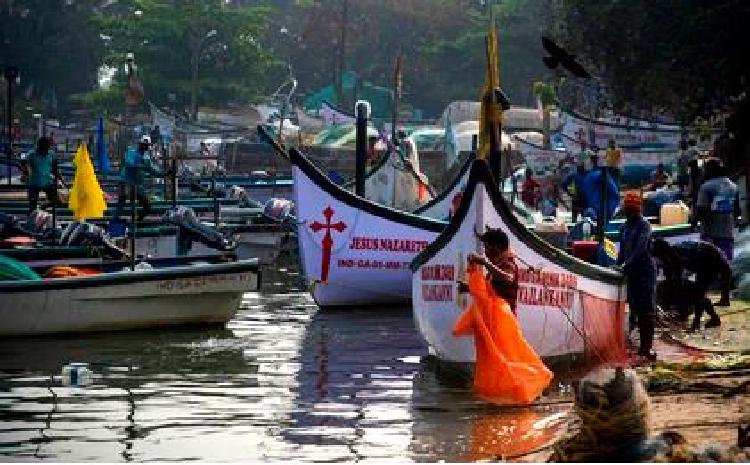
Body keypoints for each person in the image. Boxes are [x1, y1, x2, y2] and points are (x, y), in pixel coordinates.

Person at [651, 238, 729, 331]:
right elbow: (674, 280)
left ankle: (698, 323)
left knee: (698, 295)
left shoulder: (679, 253)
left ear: (664, 253)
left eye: (661, 257)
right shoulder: (670, 256)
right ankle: (707, 318)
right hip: (705, 260)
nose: (661, 260)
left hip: (711, 260)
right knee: (693, 292)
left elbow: (679, 278)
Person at [616, 190, 656, 360]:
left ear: (638, 210)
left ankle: (646, 348)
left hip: (645, 273)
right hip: (631, 274)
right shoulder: (624, 227)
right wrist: (617, 266)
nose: (629, 212)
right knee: (634, 309)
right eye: (627, 209)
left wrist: (626, 265)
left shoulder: (644, 225)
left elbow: (640, 249)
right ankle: (635, 344)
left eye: (632, 209)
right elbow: (622, 251)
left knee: (646, 311)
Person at [466, 228, 519, 314]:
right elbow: (489, 291)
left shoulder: (509, 264)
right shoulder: (494, 268)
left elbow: (508, 278)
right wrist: (468, 288)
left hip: (504, 321)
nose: (486, 252)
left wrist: (484, 262)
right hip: (492, 318)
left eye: (487, 247)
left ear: (498, 247)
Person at [696, 158, 738, 260]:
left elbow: (702, 210)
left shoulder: (706, 187)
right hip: (728, 233)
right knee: (726, 265)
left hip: (710, 235)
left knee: (709, 267)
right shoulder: (733, 186)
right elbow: (737, 210)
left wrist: (694, 221)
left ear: (709, 170)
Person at [115, 135, 165, 221]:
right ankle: (116, 221)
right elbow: (129, 164)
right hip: (126, 182)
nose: (145, 147)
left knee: (147, 206)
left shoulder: (146, 157)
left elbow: (152, 169)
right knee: (122, 203)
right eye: (144, 145)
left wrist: (163, 174)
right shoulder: (131, 153)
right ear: (140, 144)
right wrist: (141, 166)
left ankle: (137, 221)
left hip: (137, 185)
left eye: (147, 145)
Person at [23, 137, 60, 213]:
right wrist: (26, 171)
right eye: (42, 149)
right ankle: (32, 219)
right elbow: (23, 162)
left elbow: (55, 169)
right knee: (32, 205)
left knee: (55, 200)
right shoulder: (31, 154)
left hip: (47, 181)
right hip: (34, 183)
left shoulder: (51, 154)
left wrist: (60, 180)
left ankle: (41, 207)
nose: (44, 151)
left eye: (46, 149)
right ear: (38, 147)